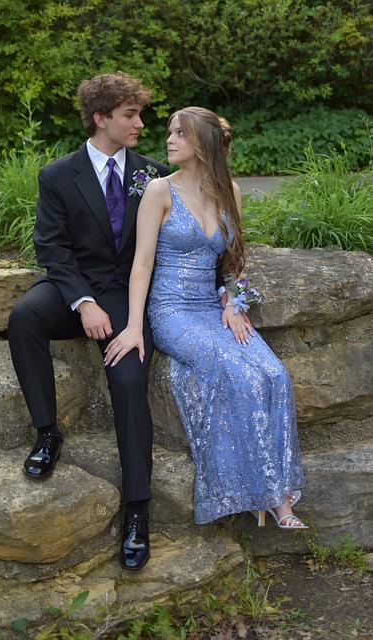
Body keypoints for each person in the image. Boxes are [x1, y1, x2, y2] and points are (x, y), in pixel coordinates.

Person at [104, 106, 307, 530]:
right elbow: (142, 264)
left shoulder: (229, 191)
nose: (169, 139)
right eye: (169, 132)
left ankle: (282, 492)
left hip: (213, 309)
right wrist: (134, 326)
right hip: (172, 311)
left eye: (180, 133)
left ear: (204, 143)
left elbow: (232, 262)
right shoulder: (159, 190)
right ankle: (262, 495)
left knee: (275, 374)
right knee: (240, 373)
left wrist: (233, 302)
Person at [8, 72, 169, 571]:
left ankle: (137, 509)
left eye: (139, 114)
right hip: (73, 288)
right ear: (101, 118)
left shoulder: (152, 174)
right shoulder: (58, 175)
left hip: (124, 296)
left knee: (129, 378)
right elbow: (51, 247)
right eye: (130, 115)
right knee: (24, 316)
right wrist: (82, 301)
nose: (139, 124)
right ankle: (48, 432)